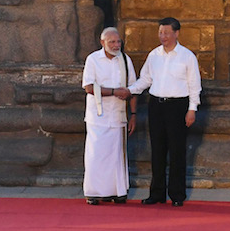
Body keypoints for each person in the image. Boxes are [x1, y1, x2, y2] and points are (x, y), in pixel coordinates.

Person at [124, 17, 201, 207]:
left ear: (176, 33)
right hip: (156, 105)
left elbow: (194, 85)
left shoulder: (187, 56)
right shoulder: (154, 55)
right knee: (157, 150)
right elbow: (145, 80)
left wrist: (192, 109)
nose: (163, 36)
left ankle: (177, 195)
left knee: (177, 151)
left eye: (166, 32)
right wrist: (129, 90)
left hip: (178, 106)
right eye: (160, 32)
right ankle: (157, 193)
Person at [81, 27, 137, 205]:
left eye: (118, 41)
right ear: (102, 42)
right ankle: (94, 192)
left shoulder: (125, 60)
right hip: (98, 115)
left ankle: (117, 192)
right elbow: (89, 87)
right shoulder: (93, 59)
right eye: (112, 42)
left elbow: (133, 89)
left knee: (116, 155)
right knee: (96, 154)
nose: (116, 45)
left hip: (118, 115)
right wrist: (114, 91)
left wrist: (134, 114)